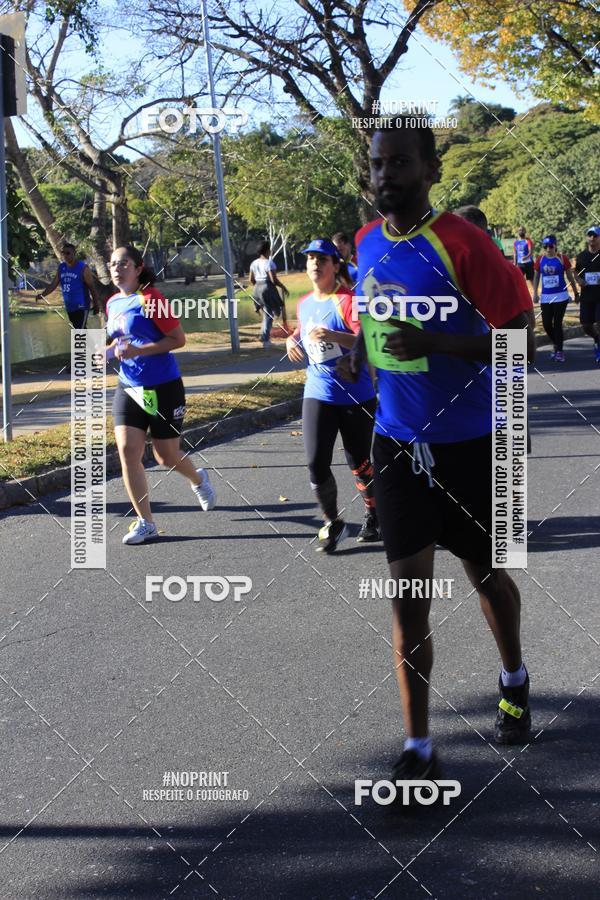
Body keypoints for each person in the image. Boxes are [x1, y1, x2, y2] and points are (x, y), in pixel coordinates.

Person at [339, 117, 535, 794]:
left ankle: (513, 675)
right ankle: (418, 745)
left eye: (398, 162)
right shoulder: (365, 244)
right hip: (397, 444)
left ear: (429, 171)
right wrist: (356, 353)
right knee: (408, 598)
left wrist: (441, 347)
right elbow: (375, 325)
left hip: (472, 446)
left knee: (487, 579)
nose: (384, 175)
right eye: (377, 163)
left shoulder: (463, 243)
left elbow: (520, 342)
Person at [105, 245, 216, 545]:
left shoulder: (151, 299)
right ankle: (145, 522)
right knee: (128, 452)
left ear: (138, 268)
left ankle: (198, 479)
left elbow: (178, 339)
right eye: (112, 263)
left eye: (123, 263)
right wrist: (105, 353)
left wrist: (140, 350)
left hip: (163, 386)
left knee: (165, 455)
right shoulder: (113, 303)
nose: (116, 268)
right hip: (130, 386)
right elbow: (118, 343)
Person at [286, 238, 380, 551]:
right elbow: (303, 331)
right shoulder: (304, 303)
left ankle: (372, 511)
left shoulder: (348, 300)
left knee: (360, 461)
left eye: (321, 259)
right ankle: (332, 521)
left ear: (334, 265)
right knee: (315, 462)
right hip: (318, 391)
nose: (314, 264)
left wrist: (334, 335)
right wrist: (292, 341)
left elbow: (365, 340)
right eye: (310, 258)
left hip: (355, 395)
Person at [455, 205, 535, 454]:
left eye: (461, 231)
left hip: (501, 370)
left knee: (510, 455)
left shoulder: (505, 270)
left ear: (479, 232)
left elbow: (527, 327)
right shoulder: (447, 273)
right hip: (462, 372)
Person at [533, 235, 579, 362]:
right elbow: (536, 277)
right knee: (547, 324)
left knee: (557, 323)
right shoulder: (540, 260)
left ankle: (559, 351)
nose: (548, 249)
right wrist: (535, 293)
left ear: (555, 246)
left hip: (561, 296)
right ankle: (557, 344)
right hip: (546, 297)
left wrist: (575, 293)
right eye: (545, 246)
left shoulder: (562, 259)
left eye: (551, 246)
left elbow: (570, 277)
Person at [36, 242, 101, 327]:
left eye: (68, 253)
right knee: (80, 330)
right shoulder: (61, 267)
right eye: (63, 253)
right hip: (70, 307)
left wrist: (96, 304)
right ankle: (97, 340)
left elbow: (92, 287)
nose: (65, 255)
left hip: (82, 306)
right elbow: (53, 284)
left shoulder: (83, 268)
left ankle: (96, 339)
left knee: (79, 332)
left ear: (74, 253)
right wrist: (42, 295)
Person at [248, 241, 289, 347]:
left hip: (257, 288)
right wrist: (283, 287)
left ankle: (263, 336)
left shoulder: (254, 263)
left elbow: (251, 279)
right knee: (270, 314)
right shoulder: (269, 263)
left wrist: (258, 286)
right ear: (267, 250)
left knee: (266, 314)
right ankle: (265, 340)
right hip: (267, 288)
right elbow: (273, 279)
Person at [575, 226, 600, 363]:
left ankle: (599, 350)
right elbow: (576, 272)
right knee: (586, 325)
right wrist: (579, 280)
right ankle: (596, 338)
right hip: (587, 296)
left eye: (595, 236)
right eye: (590, 235)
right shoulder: (582, 256)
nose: (592, 238)